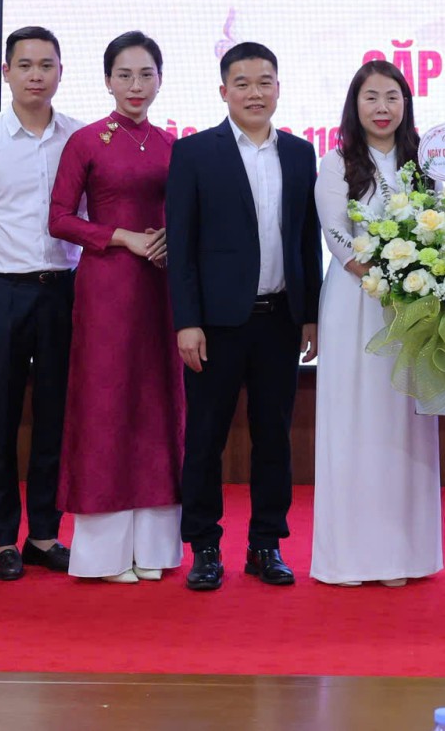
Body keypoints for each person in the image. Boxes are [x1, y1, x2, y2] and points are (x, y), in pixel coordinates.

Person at [168, 42, 322, 592]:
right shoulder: (194, 153)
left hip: (280, 319)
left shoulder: (300, 153)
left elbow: (306, 240)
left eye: (264, 82)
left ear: (278, 88)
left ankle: (265, 544)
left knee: (274, 437)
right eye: (243, 83)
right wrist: (187, 321)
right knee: (205, 438)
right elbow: (182, 246)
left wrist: (310, 314)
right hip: (215, 324)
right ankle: (205, 547)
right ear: (223, 91)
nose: (255, 93)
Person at [0, 26, 86, 581]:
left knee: (55, 416)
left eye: (46, 65)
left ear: (60, 73)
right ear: (6, 72)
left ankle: (45, 534)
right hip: (0, 290)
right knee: (0, 417)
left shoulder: (79, 138)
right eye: (25, 65)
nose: (36, 75)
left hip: (62, 290)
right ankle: (2, 540)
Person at [50, 31, 182, 582]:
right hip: (107, 287)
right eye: (124, 75)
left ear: (160, 79)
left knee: (158, 405)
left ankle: (154, 549)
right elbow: (59, 219)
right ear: (107, 80)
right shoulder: (86, 141)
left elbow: (189, 211)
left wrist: (174, 237)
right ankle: (103, 555)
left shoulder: (173, 144)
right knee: (105, 405)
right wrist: (120, 236)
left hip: (162, 289)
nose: (136, 85)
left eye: (146, 74)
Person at [310, 59, 442, 587]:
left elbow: (442, 228)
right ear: (355, 105)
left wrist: (415, 277)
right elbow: (335, 232)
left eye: (392, 97)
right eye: (371, 97)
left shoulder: (425, 163)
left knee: (402, 421)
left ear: (406, 103)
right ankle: (350, 557)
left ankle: (401, 555)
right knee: (353, 418)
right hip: (356, 300)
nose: (382, 108)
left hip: (412, 305)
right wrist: (378, 273)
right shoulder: (336, 162)